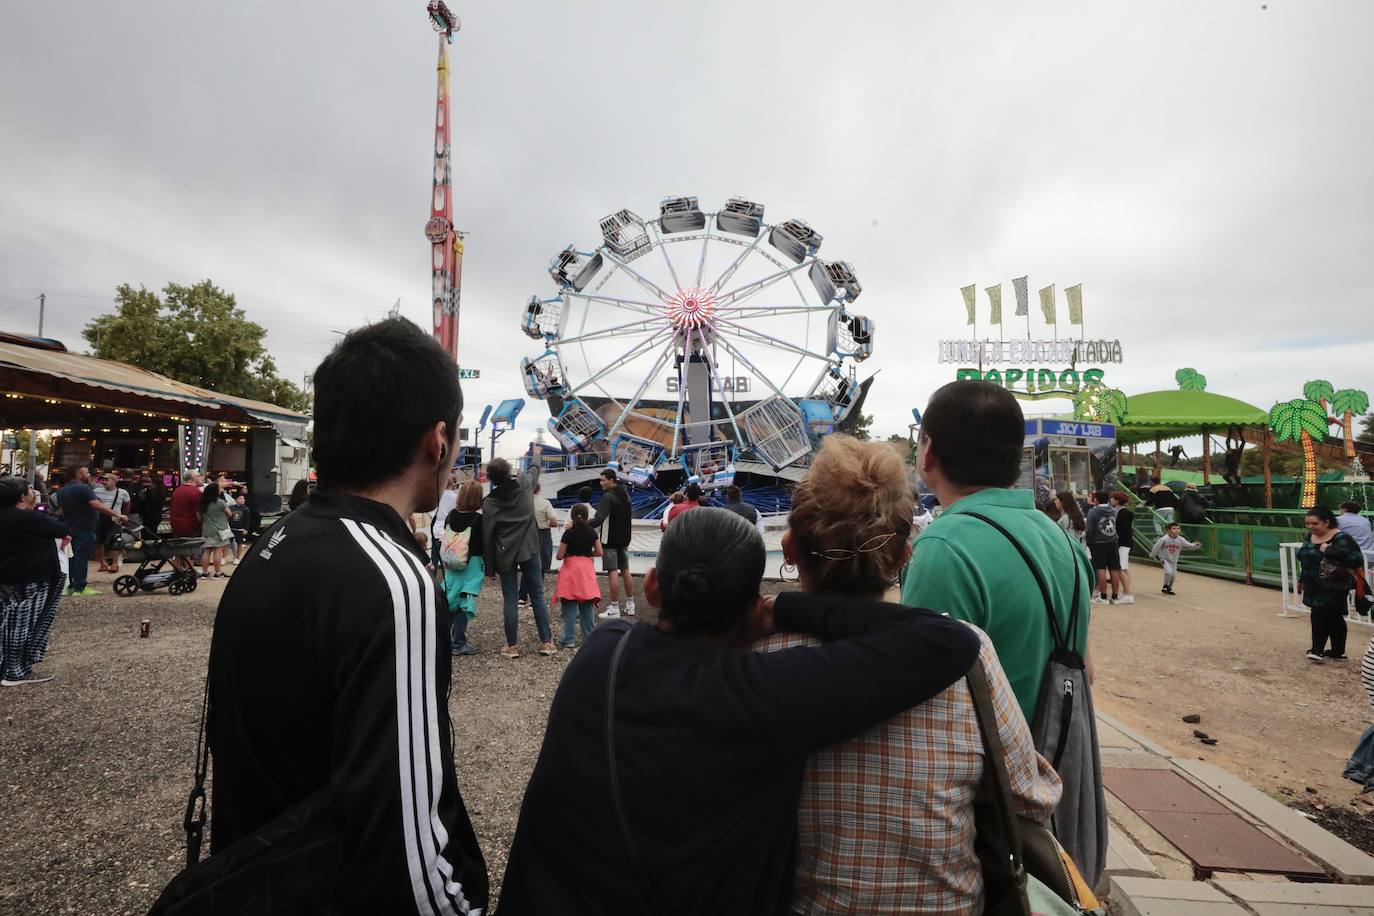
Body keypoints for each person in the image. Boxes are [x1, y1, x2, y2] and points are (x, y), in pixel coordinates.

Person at [497, 508, 981, 914]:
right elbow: (947, 640)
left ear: (652, 588)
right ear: (751, 608)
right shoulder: (761, 694)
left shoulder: (602, 653)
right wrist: (787, 609)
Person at [204, 318, 487, 913]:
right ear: (437, 441)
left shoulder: (277, 544)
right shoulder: (395, 580)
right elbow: (402, 828)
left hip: (257, 879)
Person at [759, 436, 1060, 914]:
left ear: (790, 547)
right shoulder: (967, 654)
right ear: (902, 558)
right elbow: (1027, 799)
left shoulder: (748, 654)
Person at [901, 381, 1094, 723]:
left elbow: (920, 697)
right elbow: (1087, 670)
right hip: (1056, 761)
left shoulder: (943, 547)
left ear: (928, 450)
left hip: (985, 769)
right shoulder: (1064, 541)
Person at [483, 451, 556, 658]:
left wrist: (489, 567)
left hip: (504, 553)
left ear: (491, 479)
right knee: (537, 594)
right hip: (530, 548)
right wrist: (536, 454)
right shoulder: (525, 485)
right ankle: (547, 642)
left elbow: (487, 535)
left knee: (510, 598)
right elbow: (534, 469)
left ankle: (512, 646)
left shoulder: (490, 503)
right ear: (509, 471)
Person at [0, 476, 70, 687]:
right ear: (22, 496)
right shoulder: (27, 518)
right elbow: (61, 529)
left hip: (7, 575)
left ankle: (6, 666)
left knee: (7, 619)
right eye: (30, 489)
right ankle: (15, 671)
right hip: (30, 575)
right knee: (23, 622)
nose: (34, 492)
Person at [1295, 507, 1365, 662]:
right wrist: (1302, 578)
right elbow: (1305, 558)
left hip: (1334, 584)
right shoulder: (1310, 536)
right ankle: (1338, 651)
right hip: (1313, 582)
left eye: (1315, 523)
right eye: (1307, 523)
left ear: (1327, 522)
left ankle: (1317, 650)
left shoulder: (1341, 538)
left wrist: (1330, 550)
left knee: (1320, 613)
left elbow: (1355, 559)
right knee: (1334, 616)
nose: (1310, 527)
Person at [56, 465, 125, 597]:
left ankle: (71, 585)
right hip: (84, 527)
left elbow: (62, 510)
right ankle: (80, 587)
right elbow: (96, 504)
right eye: (86, 472)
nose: (89, 475)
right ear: (79, 474)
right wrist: (117, 514)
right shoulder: (84, 488)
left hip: (69, 527)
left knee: (72, 557)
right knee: (82, 557)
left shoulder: (63, 491)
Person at [442, 480, 485, 656]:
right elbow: (481, 545)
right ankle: (459, 642)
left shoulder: (450, 515)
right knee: (463, 603)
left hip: (451, 563)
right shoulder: (478, 519)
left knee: (450, 600)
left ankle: (443, 639)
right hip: (471, 565)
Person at [552, 502, 602, 648]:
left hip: (571, 570)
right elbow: (600, 552)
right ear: (587, 517)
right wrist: (587, 554)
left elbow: (559, 556)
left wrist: (570, 554)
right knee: (587, 605)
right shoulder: (592, 532)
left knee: (569, 606)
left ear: (572, 517)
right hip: (586, 570)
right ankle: (589, 638)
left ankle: (568, 639)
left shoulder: (568, 533)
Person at [590, 468, 635, 619]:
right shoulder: (626, 495)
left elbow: (598, 519)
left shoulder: (608, 497)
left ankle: (614, 608)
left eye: (603, 480)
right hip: (624, 539)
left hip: (610, 540)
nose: (601, 483)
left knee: (613, 572)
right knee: (626, 570)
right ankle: (630, 605)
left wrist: (581, 524)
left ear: (611, 480)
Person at [518, 483, 559, 610]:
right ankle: (534, 599)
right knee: (540, 567)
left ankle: (522, 597)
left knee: (527, 565)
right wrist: (545, 522)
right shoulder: (545, 503)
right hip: (543, 534)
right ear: (539, 489)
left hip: (526, 535)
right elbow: (553, 522)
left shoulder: (524, 503)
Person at [1084, 490, 1123, 605]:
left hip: (1098, 542)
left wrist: (1089, 541)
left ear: (1096, 499)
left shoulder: (1093, 512)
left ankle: (1103, 596)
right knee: (1114, 568)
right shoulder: (1114, 511)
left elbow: (1089, 529)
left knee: (1101, 569)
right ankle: (1115, 596)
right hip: (1113, 542)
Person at [93, 472, 129, 572]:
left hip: (115, 519)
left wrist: (124, 516)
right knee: (98, 541)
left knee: (115, 541)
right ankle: (102, 563)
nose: (104, 482)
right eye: (103, 480)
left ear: (114, 481)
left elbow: (127, 505)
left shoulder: (123, 493)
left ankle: (114, 563)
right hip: (100, 518)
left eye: (106, 479)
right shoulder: (96, 491)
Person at [198, 483, 233, 579]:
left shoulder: (203, 503)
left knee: (207, 551)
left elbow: (199, 517)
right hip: (220, 530)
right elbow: (229, 513)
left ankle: (204, 573)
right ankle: (218, 572)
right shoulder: (220, 502)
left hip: (207, 530)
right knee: (218, 551)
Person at [1110, 490, 1137, 604]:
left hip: (1123, 543)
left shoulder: (1123, 513)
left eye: (1113, 498)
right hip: (1123, 543)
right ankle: (1126, 591)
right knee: (1123, 567)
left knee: (1121, 568)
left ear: (1117, 500)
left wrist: (1117, 540)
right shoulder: (1120, 512)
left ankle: (1128, 593)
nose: (1111, 500)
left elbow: (1124, 530)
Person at [430, 474, 460, 568]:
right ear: (452, 484)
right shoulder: (456, 497)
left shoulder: (436, 496)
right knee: (449, 560)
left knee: (434, 558)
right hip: (449, 530)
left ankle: (433, 579)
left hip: (436, 528)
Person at [169, 471, 203, 537]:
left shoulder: (177, 490)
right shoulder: (196, 492)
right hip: (191, 528)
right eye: (199, 476)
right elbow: (199, 514)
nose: (201, 478)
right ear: (192, 479)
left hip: (176, 527)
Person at [227, 494, 250, 563]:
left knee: (239, 543)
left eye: (243, 498)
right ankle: (223, 557)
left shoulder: (246, 509)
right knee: (227, 544)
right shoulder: (231, 508)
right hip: (231, 529)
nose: (242, 500)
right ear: (236, 500)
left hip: (240, 529)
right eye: (240, 498)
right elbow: (228, 517)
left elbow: (247, 520)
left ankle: (237, 558)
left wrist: (246, 529)